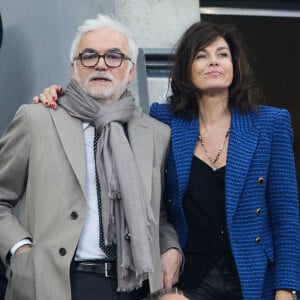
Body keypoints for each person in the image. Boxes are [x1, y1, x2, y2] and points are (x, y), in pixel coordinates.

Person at [39, 21, 300, 300]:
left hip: (253, 276)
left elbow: (286, 216)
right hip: (187, 279)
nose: (213, 62)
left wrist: (286, 288)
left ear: (235, 65)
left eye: (222, 54)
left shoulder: (271, 123)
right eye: (201, 55)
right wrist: (63, 97)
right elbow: (109, 114)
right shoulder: (163, 120)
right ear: (187, 68)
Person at [0, 14, 182, 300]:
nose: (100, 64)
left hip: (135, 288)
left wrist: (170, 247)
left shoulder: (156, 134)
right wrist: (20, 250)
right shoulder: (36, 119)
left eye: (113, 56)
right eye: (89, 56)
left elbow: (158, 214)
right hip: (59, 283)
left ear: (130, 71)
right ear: (74, 69)